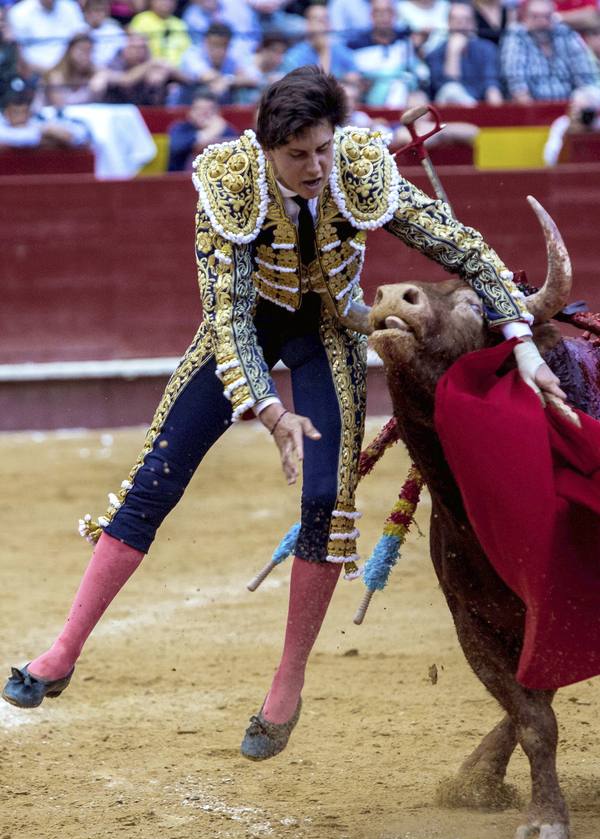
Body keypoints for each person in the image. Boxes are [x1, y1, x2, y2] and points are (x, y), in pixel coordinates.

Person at [2, 66, 565, 762]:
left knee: (328, 499)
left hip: (326, 327)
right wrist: (269, 411)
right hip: (246, 329)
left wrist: (521, 342)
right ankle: (62, 651)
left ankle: (287, 683)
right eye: (297, 156)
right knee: (156, 479)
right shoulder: (228, 183)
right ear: (267, 149)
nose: (315, 167)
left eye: (322, 150)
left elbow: (460, 246)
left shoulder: (359, 165)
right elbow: (229, 317)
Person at [500, 0, 600, 102]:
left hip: (570, 109)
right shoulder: (516, 35)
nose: (542, 22)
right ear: (524, 18)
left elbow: (586, 78)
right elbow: (517, 86)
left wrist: (580, 106)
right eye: (535, 17)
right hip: (531, 110)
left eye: (547, 17)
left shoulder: (566, 33)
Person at [350, 0, 428, 107]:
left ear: (394, 15)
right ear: (371, 16)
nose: (384, 17)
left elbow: (419, 73)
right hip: (367, 100)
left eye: (388, 12)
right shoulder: (356, 46)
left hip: (404, 98)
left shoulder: (405, 41)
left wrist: (419, 48)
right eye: (379, 12)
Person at [426, 2, 503, 105]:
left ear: (474, 24)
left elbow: (491, 84)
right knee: (451, 89)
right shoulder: (435, 53)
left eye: (467, 20)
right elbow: (446, 87)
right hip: (449, 112)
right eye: (456, 20)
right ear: (448, 23)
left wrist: (498, 112)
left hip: (480, 108)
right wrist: (453, 54)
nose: (461, 24)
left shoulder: (487, 48)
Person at [166, 89, 238, 170]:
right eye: (199, 109)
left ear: (217, 112)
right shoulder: (180, 128)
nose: (203, 114)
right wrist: (209, 133)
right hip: (180, 179)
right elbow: (175, 146)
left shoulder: (226, 130)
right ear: (190, 111)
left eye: (208, 109)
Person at [281, 4, 357, 78]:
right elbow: (317, 86)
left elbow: (355, 75)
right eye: (319, 21)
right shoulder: (295, 55)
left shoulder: (340, 49)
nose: (324, 25)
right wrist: (324, 51)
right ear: (308, 25)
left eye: (326, 19)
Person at [543, 82, 600, 163]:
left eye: (587, 112)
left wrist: (593, 131)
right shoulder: (563, 124)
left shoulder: (597, 123)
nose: (583, 116)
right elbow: (549, 159)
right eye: (578, 109)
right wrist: (569, 133)